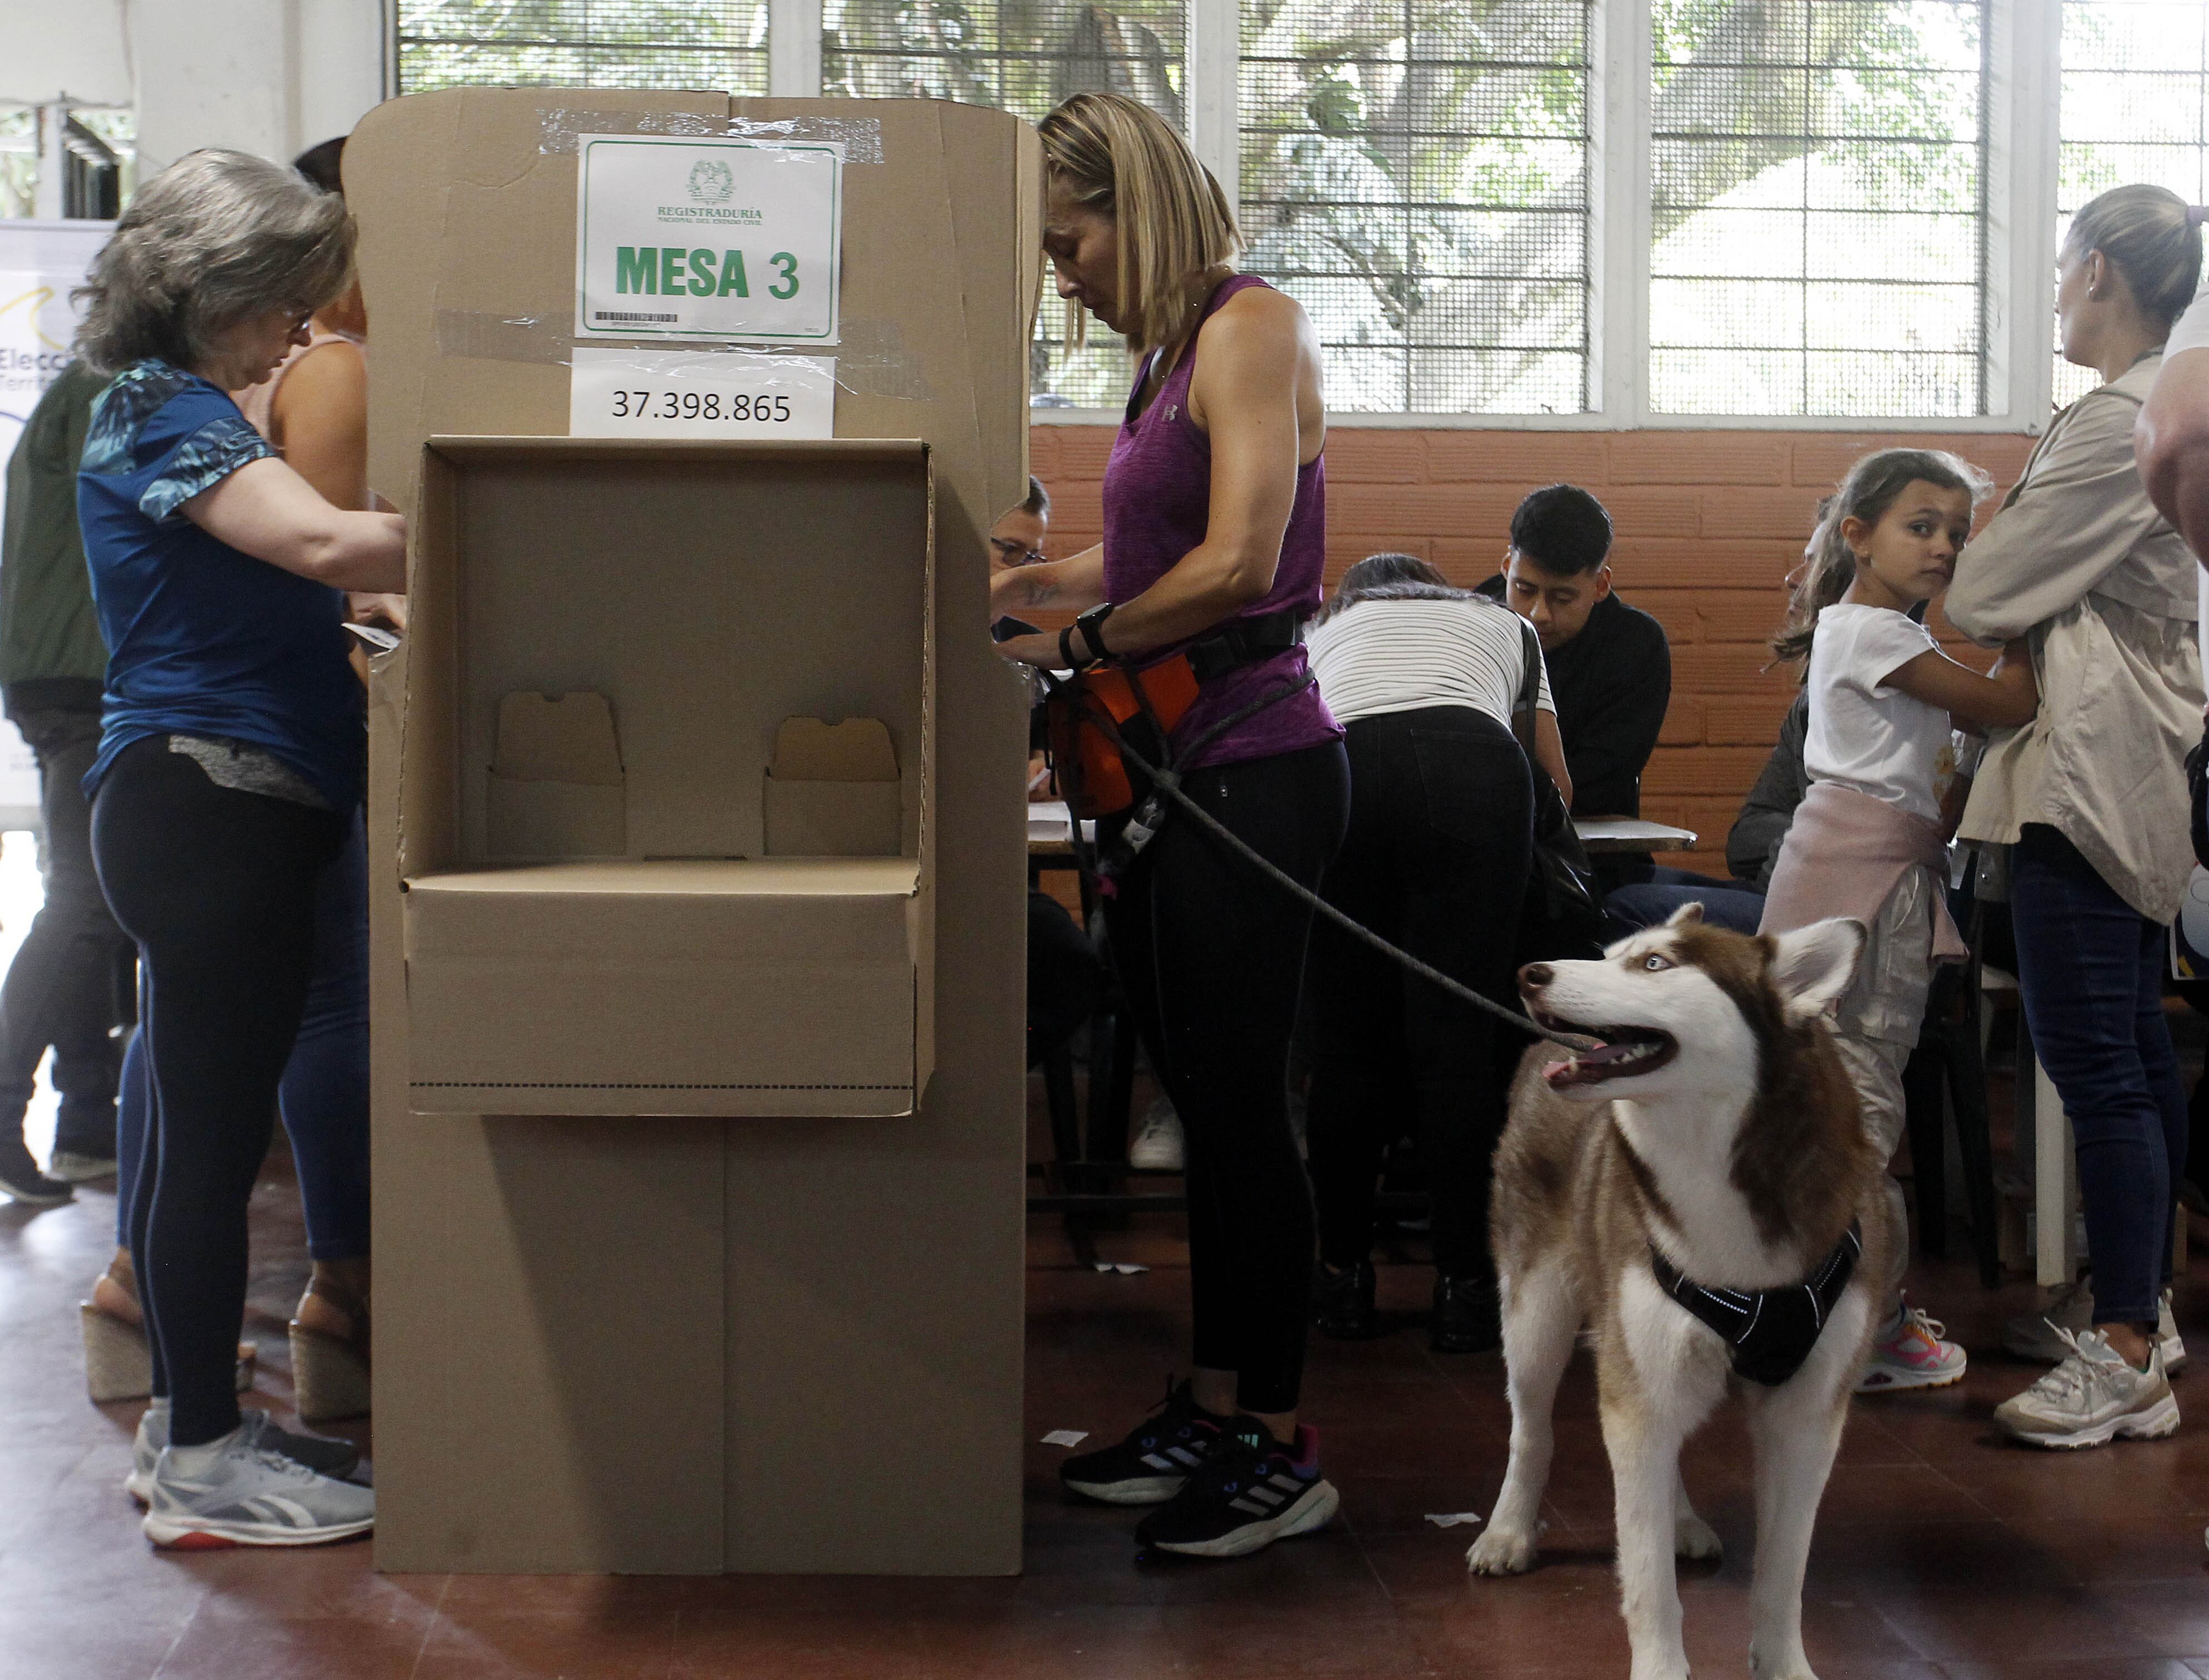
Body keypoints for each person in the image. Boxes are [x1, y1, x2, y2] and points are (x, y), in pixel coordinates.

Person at [991, 91, 1348, 1560]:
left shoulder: (1249, 331)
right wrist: (1023, 587)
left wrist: (1076, 649)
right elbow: (1145, 554)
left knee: (1248, 1114)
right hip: (1169, 782)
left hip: (1252, 769)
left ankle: (1278, 1436)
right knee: (1200, 1112)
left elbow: (1241, 559)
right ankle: (1211, 1400)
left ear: (1130, 208)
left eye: (1069, 242)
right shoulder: (1162, 361)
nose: (1061, 274)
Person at [75, 148, 405, 1546]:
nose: (300, 330)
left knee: (189, 1131)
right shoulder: (166, 415)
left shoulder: (176, 406)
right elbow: (328, 545)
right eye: (281, 303)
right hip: (216, 797)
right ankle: (203, 1458)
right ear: (218, 294)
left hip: (202, 798)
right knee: (207, 1140)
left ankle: (186, 1425)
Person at [1946, 184, 2203, 1449]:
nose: (2052, 291)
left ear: (2095, 268)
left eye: (2058, 269)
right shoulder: (2137, 407)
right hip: (2119, 765)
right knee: (2130, 1054)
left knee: (2094, 1059)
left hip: (2091, 774)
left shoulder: (2118, 418)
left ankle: (2119, 1349)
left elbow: (1984, 591)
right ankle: (2134, 1313)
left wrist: (1993, 529)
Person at [1759, 448, 2036, 1396]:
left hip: (1849, 867)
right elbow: (2011, 700)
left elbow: (1945, 785)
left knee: (1830, 1096)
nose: (1945, 547)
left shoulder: (1863, 633)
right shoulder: (1876, 634)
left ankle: (1815, 1307)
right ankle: (1862, 1325)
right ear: (1856, 534)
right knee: (1861, 1102)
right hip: (1864, 881)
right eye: (1920, 526)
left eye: (1957, 533)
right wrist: (2038, 609)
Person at [1300, 553, 1558, 1352]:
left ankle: (1340, 1278)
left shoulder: (1323, 628)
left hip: (1342, 766)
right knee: (1457, 1052)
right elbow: (1557, 787)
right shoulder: (1509, 624)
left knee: (1346, 1051)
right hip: (1473, 762)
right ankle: (1466, 1290)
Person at [0, 360, 137, 1201]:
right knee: (87, 903)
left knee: (88, 901)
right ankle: (12, 1098)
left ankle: (87, 1121)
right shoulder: (106, 390)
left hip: (55, 669)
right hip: (84, 670)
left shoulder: (80, 388)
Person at [1478, 484, 1671, 887]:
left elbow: (1602, 777)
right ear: (1506, 565)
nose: (1538, 613)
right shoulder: (1475, 618)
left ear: (1601, 585)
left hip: (1591, 864)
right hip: (1483, 845)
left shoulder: (1636, 645)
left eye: (1563, 598)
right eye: (1524, 589)